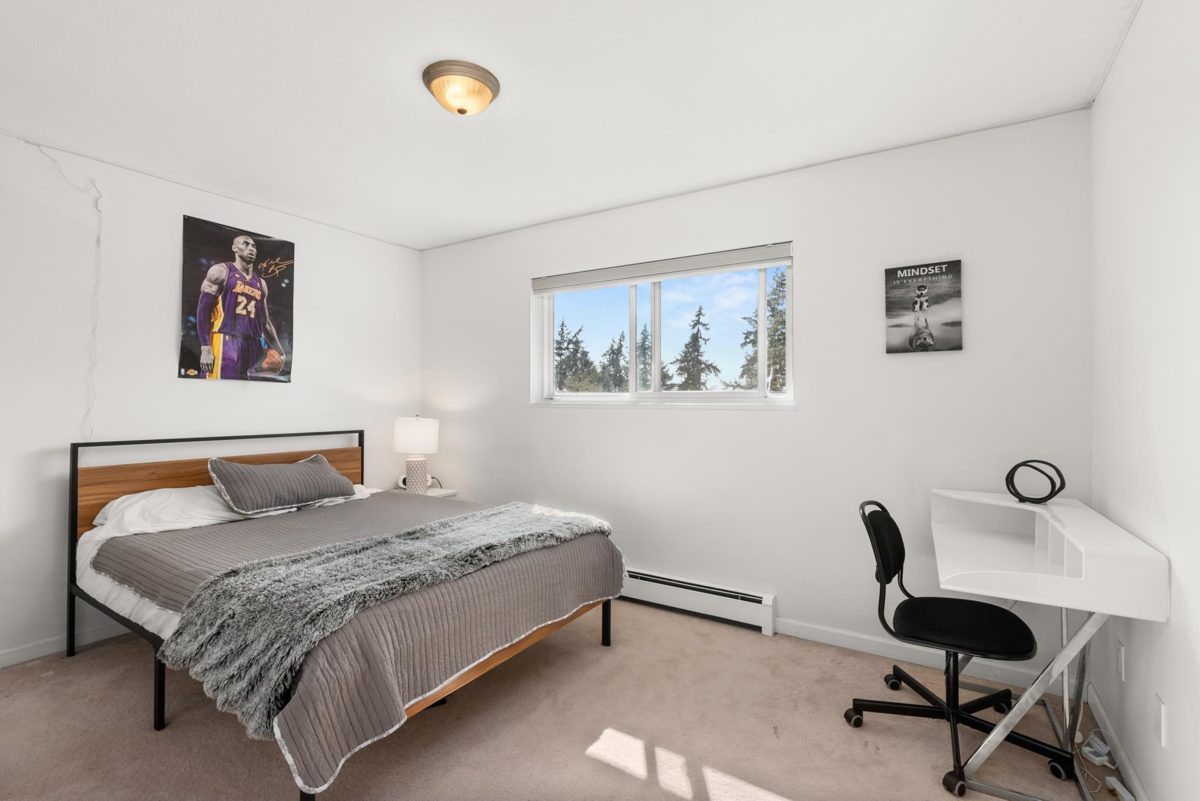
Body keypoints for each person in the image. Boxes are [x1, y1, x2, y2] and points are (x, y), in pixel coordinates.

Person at [196, 235, 285, 379]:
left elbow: (266, 323)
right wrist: (205, 347)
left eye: (254, 246)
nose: (251, 248)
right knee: (218, 387)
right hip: (225, 340)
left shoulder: (261, 283)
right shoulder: (221, 271)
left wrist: (280, 353)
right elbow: (203, 309)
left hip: (253, 345)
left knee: (247, 389)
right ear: (235, 248)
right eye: (246, 244)